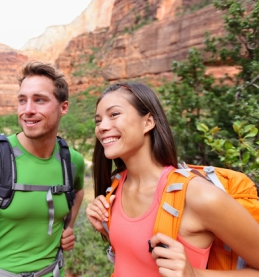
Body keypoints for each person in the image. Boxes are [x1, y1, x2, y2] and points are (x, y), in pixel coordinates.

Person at [85, 82, 259, 276]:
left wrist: (194, 274)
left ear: (148, 122)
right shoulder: (116, 187)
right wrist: (106, 227)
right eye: (98, 121)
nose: (102, 127)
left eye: (114, 114)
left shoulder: (199, 196)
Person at [0, 61, 85, 277]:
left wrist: (68, 226)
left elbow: (78, 190)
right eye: (22, 101)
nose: (28, 110)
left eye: (39, 100)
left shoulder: (72, 161)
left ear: (63, 107)